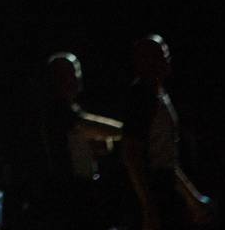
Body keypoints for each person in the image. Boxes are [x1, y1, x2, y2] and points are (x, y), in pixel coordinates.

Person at [122, 35, 210, 230]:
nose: (164, 60)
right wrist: (148, 205)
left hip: (163, 188)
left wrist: (191, 198)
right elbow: (132, 153)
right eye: (156, 56)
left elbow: (167, 159)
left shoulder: (160, 96)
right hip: (154, 189)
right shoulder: (142, 98)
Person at [40, 52, 124, 229]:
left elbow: (96, 147)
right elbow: (90, 126)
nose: (76, 77)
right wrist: (127, 131)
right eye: (69, 73)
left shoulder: (69, 110)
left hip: (79, 190)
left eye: (75, 71)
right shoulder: (58, 111)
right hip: (70, 192)